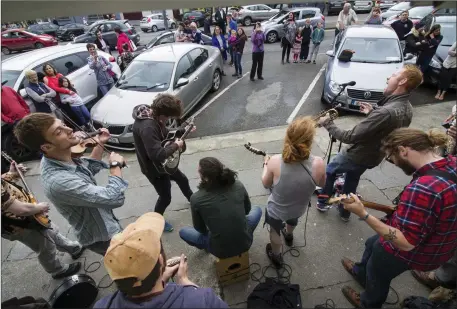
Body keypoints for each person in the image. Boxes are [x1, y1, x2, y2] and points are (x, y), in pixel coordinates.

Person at [339, 127, 457, 308]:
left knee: (377, 267)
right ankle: (360, 273)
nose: (393, 162)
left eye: (391, 158)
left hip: (419, 252)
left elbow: (406, 242)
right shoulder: (452, 163)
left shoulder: (423, 188)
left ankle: (368, 302)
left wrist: (363, 213)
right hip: (444, 244)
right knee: (372, 243)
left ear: (403, 150)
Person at [316, 65, 423, 221]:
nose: (388, 78)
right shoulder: (407, 108)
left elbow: (348, 137)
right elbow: (390, 130)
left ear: (403, 81)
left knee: (330, 170)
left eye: (393, 75)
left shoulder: (385, 112)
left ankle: (323, 202)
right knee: (351, 179)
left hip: (357, 154)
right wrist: (373, 114)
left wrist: (327, 123)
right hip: (374, 157)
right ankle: (345, 211)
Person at [13, 113, 128, 256]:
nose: (69, 130)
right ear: (47, 147)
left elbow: (88, 170)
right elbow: (114, 198)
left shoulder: (61, 156)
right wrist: (115, 165)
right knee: (129, 266)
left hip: (106, 222)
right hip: (102, 236)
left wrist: (100, 143)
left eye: (63, 125)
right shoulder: (59, 181)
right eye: (59, 131)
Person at [93, 212, 229, 308]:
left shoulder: (102, 305)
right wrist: (186, 282)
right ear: (161, 260)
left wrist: (161, 278)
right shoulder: (203, 300)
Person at [261, 117, 326, 268]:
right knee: (292, 219)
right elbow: (322, 184)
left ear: (288, 137)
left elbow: (266, 183)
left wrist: (265, 165)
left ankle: (276, 256)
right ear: (310, 140)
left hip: (277, 210)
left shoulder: (275, 161)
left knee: (274, 231)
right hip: (299, 208)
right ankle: (289, 235)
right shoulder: (318, 163)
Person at [1, 161, 84, 279]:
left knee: (50, 230)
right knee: (44, 246)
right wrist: (39, 207)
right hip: (19, 224)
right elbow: (20, 210)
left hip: (29, 216)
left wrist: (11, 174)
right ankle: (57, 270)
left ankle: (72, 248)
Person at [131, 94, 194, 233]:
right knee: (165, 197)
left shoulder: (154, 116)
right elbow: (157, 155)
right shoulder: (147, 127)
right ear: (162, 114)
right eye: (169, 117)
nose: (169, 120)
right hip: (154, 169)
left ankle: (193, 200)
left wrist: (182, 130)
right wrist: (176, 146)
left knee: (182, 179)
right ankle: (157, 221)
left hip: (165, 164)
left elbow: (165, 134)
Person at [179, 158, 262, 258]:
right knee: (257, 209)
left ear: (205, 177)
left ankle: (207, 246)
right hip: (246, 243)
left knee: (183, 232)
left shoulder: (196, 198)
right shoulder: (238, 184)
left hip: (219, 251)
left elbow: (200, 229)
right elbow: (247, 210)